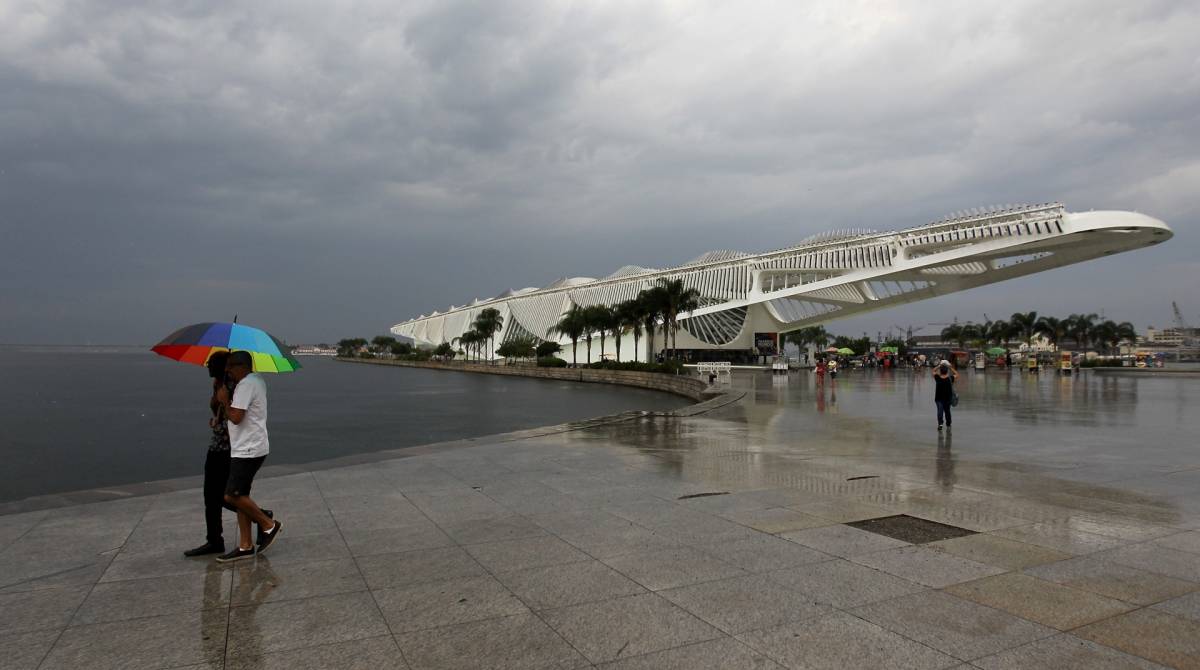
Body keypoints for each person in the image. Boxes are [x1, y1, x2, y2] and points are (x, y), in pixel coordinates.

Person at [215, 350, 281, 562]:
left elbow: (236, 417)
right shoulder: (256, 380)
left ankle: (268, 524)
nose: (228, 371)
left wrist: (225, 401)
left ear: (241, 366)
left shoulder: (246, 385)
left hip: (248, 449)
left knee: (231, 496)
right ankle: (245, 545)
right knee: (241, 495)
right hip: (249, 446)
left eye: (231, 366)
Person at [183, 352, 239, 557]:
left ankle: (261, 517)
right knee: (210, 496)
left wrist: (224, 401)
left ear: (224, 366)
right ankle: (214, 539)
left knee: (225, 496)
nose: (207, 365)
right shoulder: (218, 383)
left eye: (212, 363)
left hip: (228, 448)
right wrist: (215, 420)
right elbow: (221, 415)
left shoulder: (232, 385)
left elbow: (236, 416)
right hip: (216, 445)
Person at [933, 360, 958, 430]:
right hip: (947, 399)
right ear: (947, 371)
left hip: (939, 399)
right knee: (947, 412)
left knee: (940, 411)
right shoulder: (950, 378)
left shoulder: (937, 378)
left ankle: (941, 424)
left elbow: (933, 371)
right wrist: (950, 367)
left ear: (940, 371)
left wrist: (939, 366)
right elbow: (957, 374)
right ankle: (948, 423)